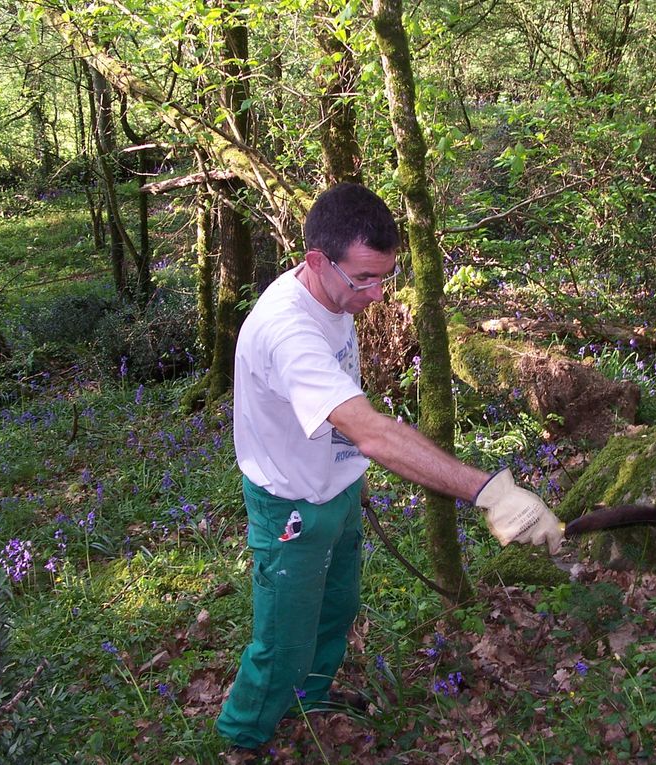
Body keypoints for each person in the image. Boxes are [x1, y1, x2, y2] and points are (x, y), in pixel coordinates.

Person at [216, 182, 562, 751]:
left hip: (337, 489)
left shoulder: (332, 292)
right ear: (316, 261)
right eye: (364, 279)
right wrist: (490, 492)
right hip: (292, 505)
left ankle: (312, 693)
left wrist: (346, 471)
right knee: (284, 638)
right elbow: (373, 432)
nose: (377, 294)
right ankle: (243, 736)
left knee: (338, 606)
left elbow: (347, 417)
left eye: (385, 277)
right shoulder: (287, 330)